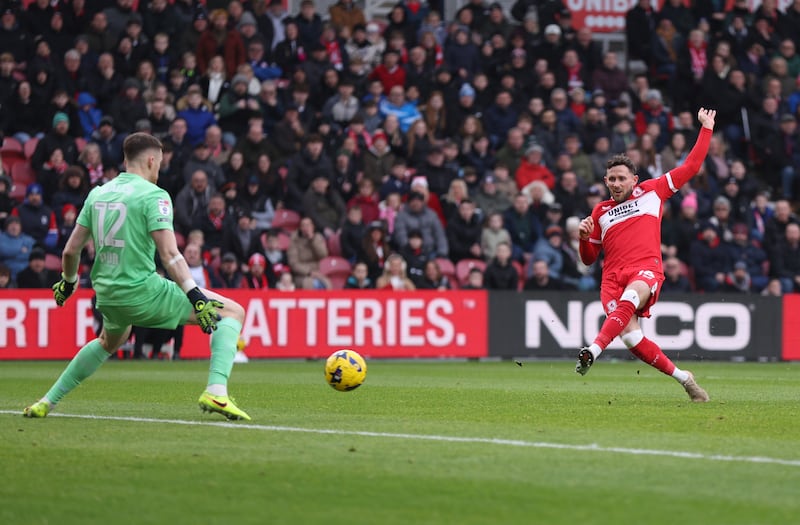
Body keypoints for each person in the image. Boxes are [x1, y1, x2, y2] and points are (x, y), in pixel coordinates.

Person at [23, 133, 252, 421]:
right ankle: (217, 391)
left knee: (109, 340)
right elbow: (170, 255)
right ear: (152, 160)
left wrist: (68, 283)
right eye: (160, 163)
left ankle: (47, 401)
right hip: (143, 291)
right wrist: (195, 295)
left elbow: (70, 251)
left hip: (106, 295)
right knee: (233, 312)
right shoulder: (154, 195)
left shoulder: (98, 193)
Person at [576, 108, 716, 403]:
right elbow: (589, 259)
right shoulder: (599, 212)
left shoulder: (653, 191)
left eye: (621, 178)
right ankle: (684, 378)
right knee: (631, 338)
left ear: (634, 180)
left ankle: (594, 350)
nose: (615, 183)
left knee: (632, 297)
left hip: (645, 269)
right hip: (611, 279)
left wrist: (706, 128)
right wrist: (582, 238)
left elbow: (691, 166)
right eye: (610, 179)